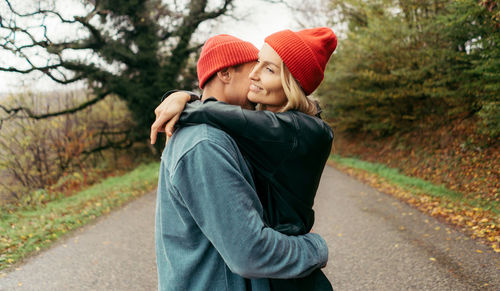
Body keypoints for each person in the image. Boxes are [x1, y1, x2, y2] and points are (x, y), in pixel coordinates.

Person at [151, 27, 337, 290]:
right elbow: (249, 252)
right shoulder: (206, 144)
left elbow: (231, 116)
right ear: (225, 73)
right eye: (254, 66)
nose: (254, 76)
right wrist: (315, 247)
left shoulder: (294, 130)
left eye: (267, 69)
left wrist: (188, 101)